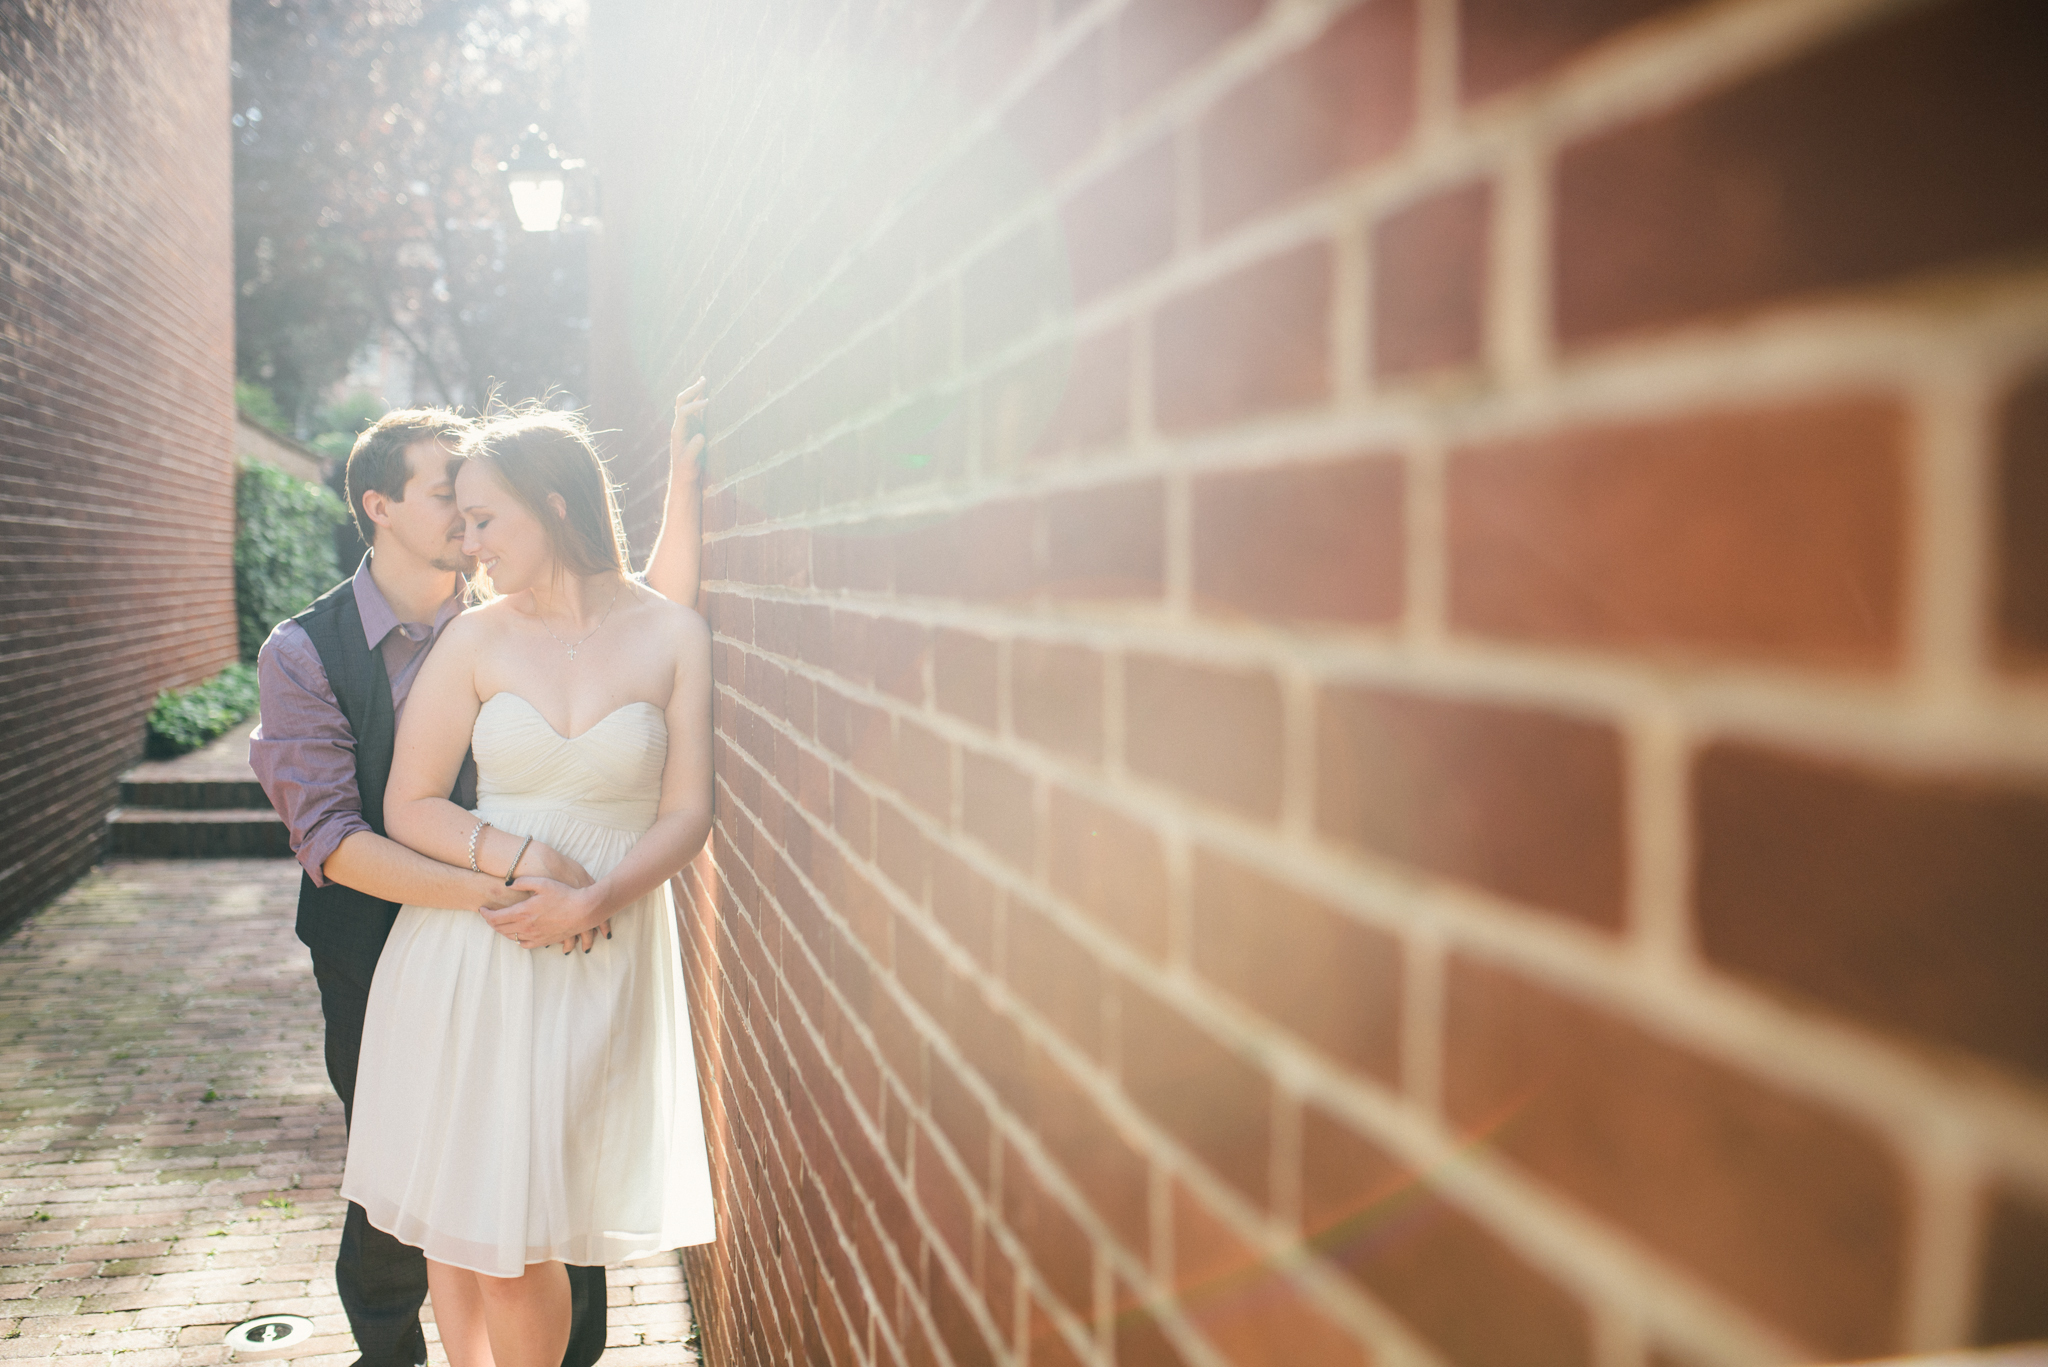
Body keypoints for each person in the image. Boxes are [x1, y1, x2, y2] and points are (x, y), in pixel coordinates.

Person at [251, 382, 709, 1367]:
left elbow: (648, 623)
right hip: (420, 941)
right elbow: (356, 826)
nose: (468, 536)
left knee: (531, 1202)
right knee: (433, 1211)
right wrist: (515, 870)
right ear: (380, 506)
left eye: (480, 514)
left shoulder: (593, 617)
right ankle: (399, 1354)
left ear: (543, 504)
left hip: (579, 934)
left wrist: (684, 477)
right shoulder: (323, 649)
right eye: (451, 511)